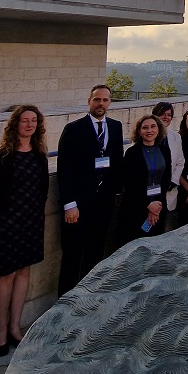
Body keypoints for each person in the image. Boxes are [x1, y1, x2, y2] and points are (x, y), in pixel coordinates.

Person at [0, 104, 50, 356]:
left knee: (23, 273)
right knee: (5, 276)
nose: (29, 125)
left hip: (29, 224)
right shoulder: (2, 156)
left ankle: (16, 328)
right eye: (24, 120)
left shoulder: (39, 155)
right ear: (15, 124)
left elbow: (42, 191)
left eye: (34, 121)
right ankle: (0, 331)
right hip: (5, 224)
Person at [56, 85, 123, 296]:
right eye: (97, 100)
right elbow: (64, 168)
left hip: (102, 204)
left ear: (110, 102)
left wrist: (115, 195)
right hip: (78, 206)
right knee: (72, 256)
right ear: (89, 101)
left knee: (95, 254)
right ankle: (65, 303)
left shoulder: (116, 126)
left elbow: (116, 163)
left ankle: (87, 300)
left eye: (105, 100)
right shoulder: (74, 129)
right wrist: (69, 204)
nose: (101, 104)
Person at [116, 114, 173, 246]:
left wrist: (156, 206)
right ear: (139, 131)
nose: (149, 131)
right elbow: (130, 185)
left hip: (159, 206)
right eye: (145, 128)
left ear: (158, 130)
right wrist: (148, 205)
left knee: (155, 245)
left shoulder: (164, 150)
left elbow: (166, 179)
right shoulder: (132, 153)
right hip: (136, 207)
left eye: (153, 127)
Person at [153, 101, 185, 233]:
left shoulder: (176, 137)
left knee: (168, 229)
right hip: (152, 192)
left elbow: (180, 162)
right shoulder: (147, 135)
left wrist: (173, 181)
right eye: (162, 114)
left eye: (169, 114)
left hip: (170, 191)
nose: (166, 117)